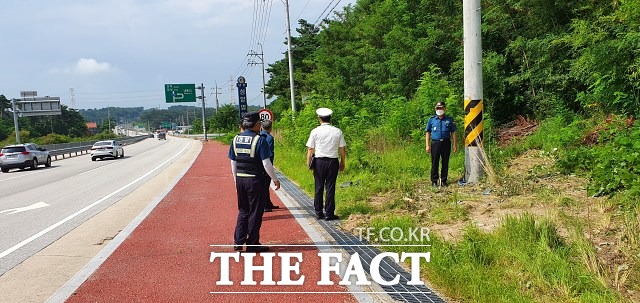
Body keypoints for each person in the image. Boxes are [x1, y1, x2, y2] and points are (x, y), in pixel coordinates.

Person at [228, 112, 281, 252]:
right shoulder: (259, 140)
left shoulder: (235, 139)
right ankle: (252, 243)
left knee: (243, 211)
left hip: (240, 179)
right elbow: (266, 163)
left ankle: (238, 242)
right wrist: (275, 180)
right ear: (257, 124)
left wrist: (235, 180)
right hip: (255, 180)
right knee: (255, 213)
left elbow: (233, 162)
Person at [306, 108, 346, 221]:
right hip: (333, 162)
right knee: (330, 187)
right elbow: (342, 148)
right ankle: (329, 213)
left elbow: (310, 149)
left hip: (319, 162)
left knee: (318, 187)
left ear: (319, 118)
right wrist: (342, 162)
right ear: (330, 118)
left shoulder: (315, 131)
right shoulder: (337, 131)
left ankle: (318, 212)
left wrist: (308, 163)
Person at [425, 101, 457, 187]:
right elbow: (428, 132)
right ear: (435, 109)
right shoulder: (431, 120)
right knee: (435, 162)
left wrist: (454, 144)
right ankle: (434, 181)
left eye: (441, 108)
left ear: (445, 109)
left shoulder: (449, 120)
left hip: (446, 143)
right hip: (435, 143)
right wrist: (427, 145)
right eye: (438, 108)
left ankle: (443, 180)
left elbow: (453, 132)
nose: (439, 110)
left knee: (445, 162)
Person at [260, 119, 280, 212]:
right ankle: (265, 205)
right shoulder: (269, 138)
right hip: (267, 163)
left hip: (258, 164)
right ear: (271, 128)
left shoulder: (258, 136)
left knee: (263, 185)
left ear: (261, 127)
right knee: (265, 185)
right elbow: (270, 154)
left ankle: (268, 203)